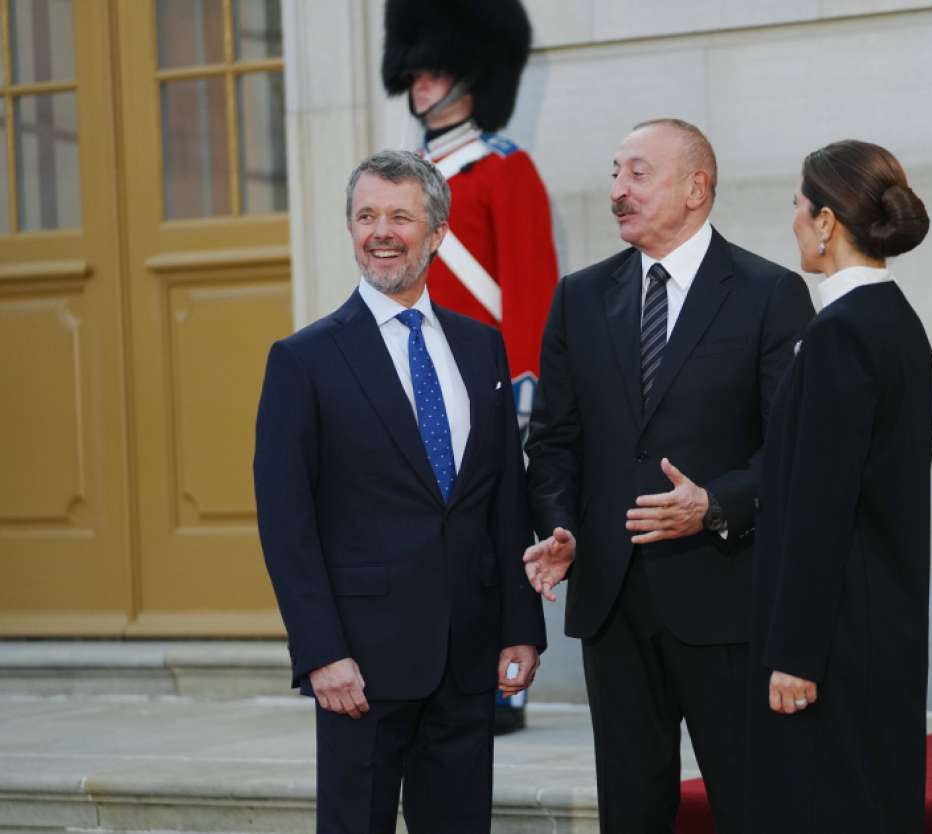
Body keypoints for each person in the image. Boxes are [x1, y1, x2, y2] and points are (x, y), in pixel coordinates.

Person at [522, 118, 814, 834]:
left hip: (727, 600)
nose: (617, 191)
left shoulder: (769, 293)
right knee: (631, 813)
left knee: (755, 808)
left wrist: (714, 503)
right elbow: (554, 441)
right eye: (614, 173)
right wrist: (559, 527)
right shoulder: (579, 297)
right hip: (613, 606)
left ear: (695, 187)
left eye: (637, 173)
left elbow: (795, 451)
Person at [253, 149, 546, 834]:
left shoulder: (482, 348)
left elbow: (504, 499)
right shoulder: (303, 361)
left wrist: (520, 628)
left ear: (437, 232)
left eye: (399, 217)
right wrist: (321, 652)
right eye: (366, 217)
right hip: (360, 668)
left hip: (467, 660)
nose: (380, 232)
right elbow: (287, 525)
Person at [746, 139, 932, 834]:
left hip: (836, 643)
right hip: (876, 628)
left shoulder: (841, 334)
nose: (793, 220)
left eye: (798, 205)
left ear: (826, 221)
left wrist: (794, 654)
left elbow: (819, 506)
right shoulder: (894, 320)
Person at [382, 0, 559, 732]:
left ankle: (505, 683)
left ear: (471, 75)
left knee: (497, 535)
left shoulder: (504, 169)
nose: (420, 83)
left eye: (436, 69)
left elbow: (531, 286)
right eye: (415, 71)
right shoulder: (402, 179)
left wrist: (524, 389)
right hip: (412, 378)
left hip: (484, 383)